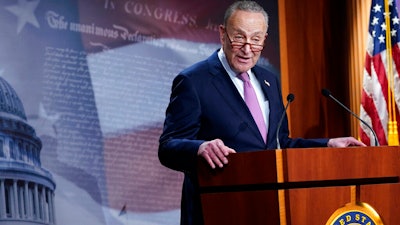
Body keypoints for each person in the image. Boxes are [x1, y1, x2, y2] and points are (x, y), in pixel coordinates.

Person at [158, 1, 366, 225]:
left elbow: (279, 145)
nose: (247, 49)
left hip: (267, 209)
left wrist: (327, 146)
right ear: (222, 34)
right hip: (217, 210)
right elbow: (168, 146)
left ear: (264, 40)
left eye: (255, 40)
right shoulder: (194, 80)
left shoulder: (269, 80)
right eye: (239, 37)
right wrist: (199, 148)